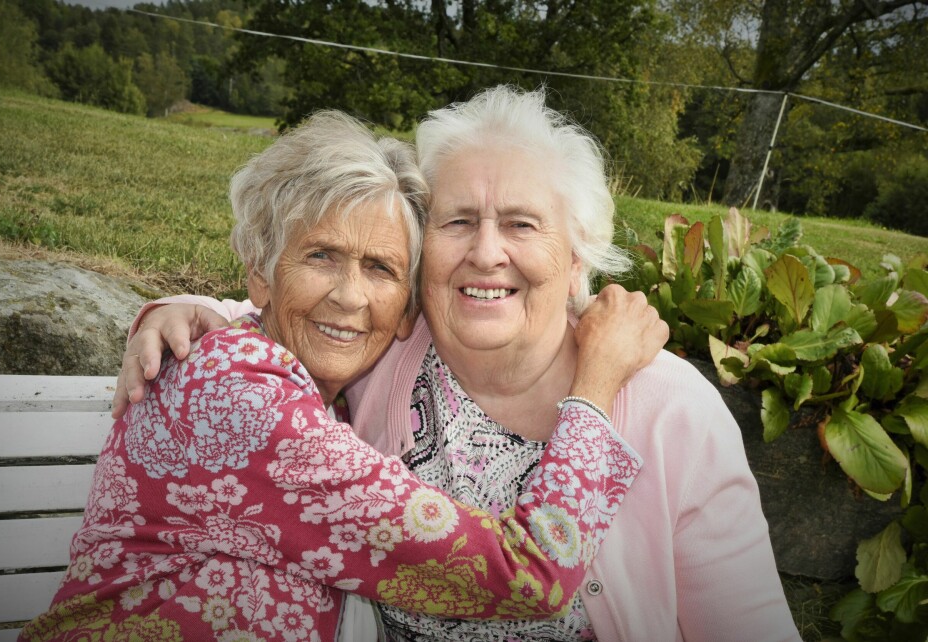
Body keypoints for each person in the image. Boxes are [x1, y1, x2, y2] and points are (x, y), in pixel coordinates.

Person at [115, 86, 802, 641]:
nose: (486, 252)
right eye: (458, 221)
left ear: (577, 259)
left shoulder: (669, 409)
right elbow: (288, 313)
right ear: (425, 264)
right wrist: (179, 312)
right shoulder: (389, 360)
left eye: (522, 223)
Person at [22, 109, 668, 642]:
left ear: (409, 307)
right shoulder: (244, 399)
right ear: (260, 270)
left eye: (381, 269)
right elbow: (528, 576)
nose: (350, 298)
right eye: (321, 256)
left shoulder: (282, 381)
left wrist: (181, 309)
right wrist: (596, 384)